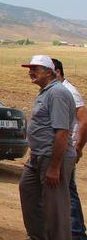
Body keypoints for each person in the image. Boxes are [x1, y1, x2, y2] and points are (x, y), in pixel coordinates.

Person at [19, 55, 77, 240]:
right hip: (38, 156)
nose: (30, 72)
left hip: (52, 158)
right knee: (27, 191)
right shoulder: (46, 91)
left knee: (56, 209)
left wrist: (54, 167)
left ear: (49, 72)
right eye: (30, 69)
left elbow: (62, 132)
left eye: (35, 69)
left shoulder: (57, 93)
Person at [53, 58, 87, 239]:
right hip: (62, 148)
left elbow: (84, 119)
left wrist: (78, 146)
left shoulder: (69, 92)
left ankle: (76, 232)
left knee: (67, 190)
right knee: (65, 189)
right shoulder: (58, 90)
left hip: (67, 149)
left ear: (57, 72)